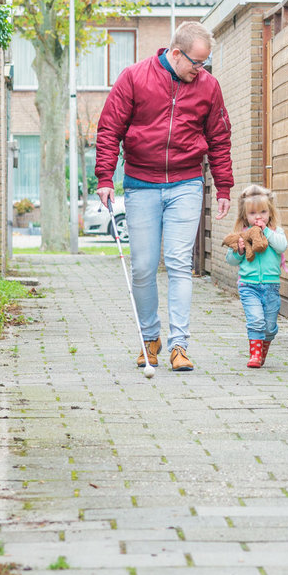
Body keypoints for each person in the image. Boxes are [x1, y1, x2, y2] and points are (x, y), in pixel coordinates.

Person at [95, 21, 233, 372]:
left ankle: (179, 345)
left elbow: (219, 137)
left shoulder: (209, 87)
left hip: (186, 184)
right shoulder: (134, 78)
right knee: (142, 268)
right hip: (141, 183)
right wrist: (105, 178)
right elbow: (110, 129)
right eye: (196, 63)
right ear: (175, 53)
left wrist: (223, 186)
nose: (200, 70)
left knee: (177, 263)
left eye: (204, 64)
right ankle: (149, 339)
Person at [225, 184, 288, 368]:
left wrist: (266, 231)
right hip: (248, 286)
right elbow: (231, 260)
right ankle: (254, 355)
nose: (258, 216)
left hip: (271, 286)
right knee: (256, 320)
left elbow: (282, 246)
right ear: (245, 216)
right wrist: (239, 251)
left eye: (263, 211)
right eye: (253, 213)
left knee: (269, 327)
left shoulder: (275, 232)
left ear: (270, 212)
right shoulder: (242, 235)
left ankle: (262, 350)